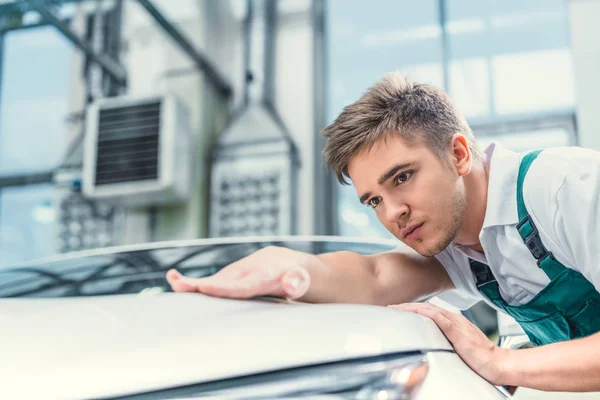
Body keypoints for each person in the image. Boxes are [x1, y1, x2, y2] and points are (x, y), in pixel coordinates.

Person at [166, 71, 600, 392]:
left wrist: (500, 363)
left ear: (459, 153)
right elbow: (373, 278)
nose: (393, 213)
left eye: (402, 177)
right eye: (373, 200)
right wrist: (281, 268)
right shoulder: (456, 248)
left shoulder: (566, 188)